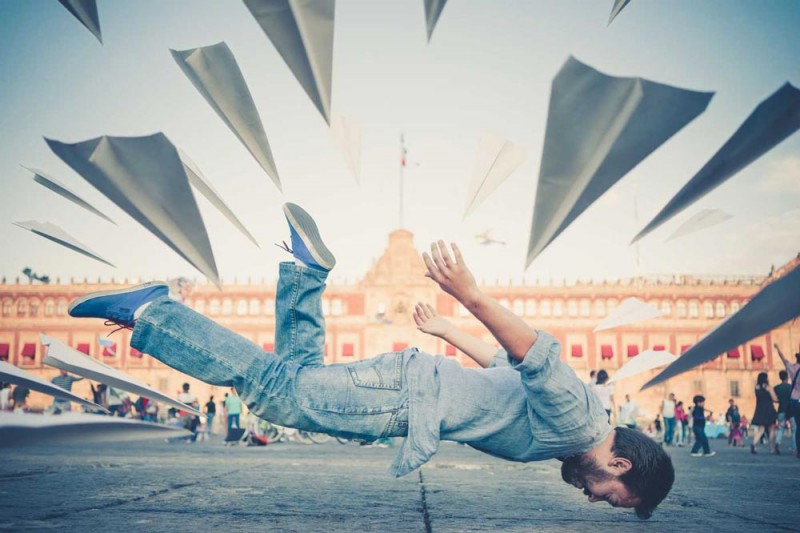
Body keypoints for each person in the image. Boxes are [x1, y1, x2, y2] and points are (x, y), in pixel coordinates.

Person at [66, 202, 674, 519]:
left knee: (292, 385)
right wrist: (472, 297)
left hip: (411, 386)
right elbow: (533, 353)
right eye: (617, 497)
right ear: (621, 463)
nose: (597, 501)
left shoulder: (580, 422)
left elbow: (502, 365)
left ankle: (304, 272)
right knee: (277, 392)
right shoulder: (579, 424)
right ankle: (157, 313)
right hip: (404, 397)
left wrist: (446, 329)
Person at [774, 343, 800, 458]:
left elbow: (783, 358)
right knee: (795, 428)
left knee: (798, 426)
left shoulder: (792, 368)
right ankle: (796, 449)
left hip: (794, 400)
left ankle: (798, 451)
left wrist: (777, 347)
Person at [750, 372, 778, 454]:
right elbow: (775, 399)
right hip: (769, 409)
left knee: (761, 430)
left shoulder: (756, 388)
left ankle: (753, 444)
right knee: (771, 429)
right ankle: (772, 449)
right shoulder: (768, 388)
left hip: (760, 409)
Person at [774, 370, 796, 453]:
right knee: (794, 429)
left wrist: (778, 400)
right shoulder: (791, 387)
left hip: (781, 409)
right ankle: (795, 447)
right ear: (787, 377)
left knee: (780, 428)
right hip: (791, 409)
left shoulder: (777, 387)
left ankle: (777, 443)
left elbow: (773, 398)